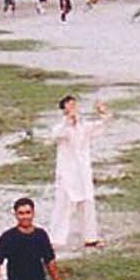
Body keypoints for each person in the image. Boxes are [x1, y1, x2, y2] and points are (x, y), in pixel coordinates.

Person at [50, 94, 109, 248]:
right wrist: (68, 121)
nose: (73, 108)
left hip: (83, 173)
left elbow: (103, 125)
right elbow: (55, 135)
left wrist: (102, 112)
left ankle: (91, 238)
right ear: (64, 109)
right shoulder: (60, 128)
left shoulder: (84, 127)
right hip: (67, 174)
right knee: (63, 205)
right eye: (69, 106)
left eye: (74, 105)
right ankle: (56, 239)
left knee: (87, 203)